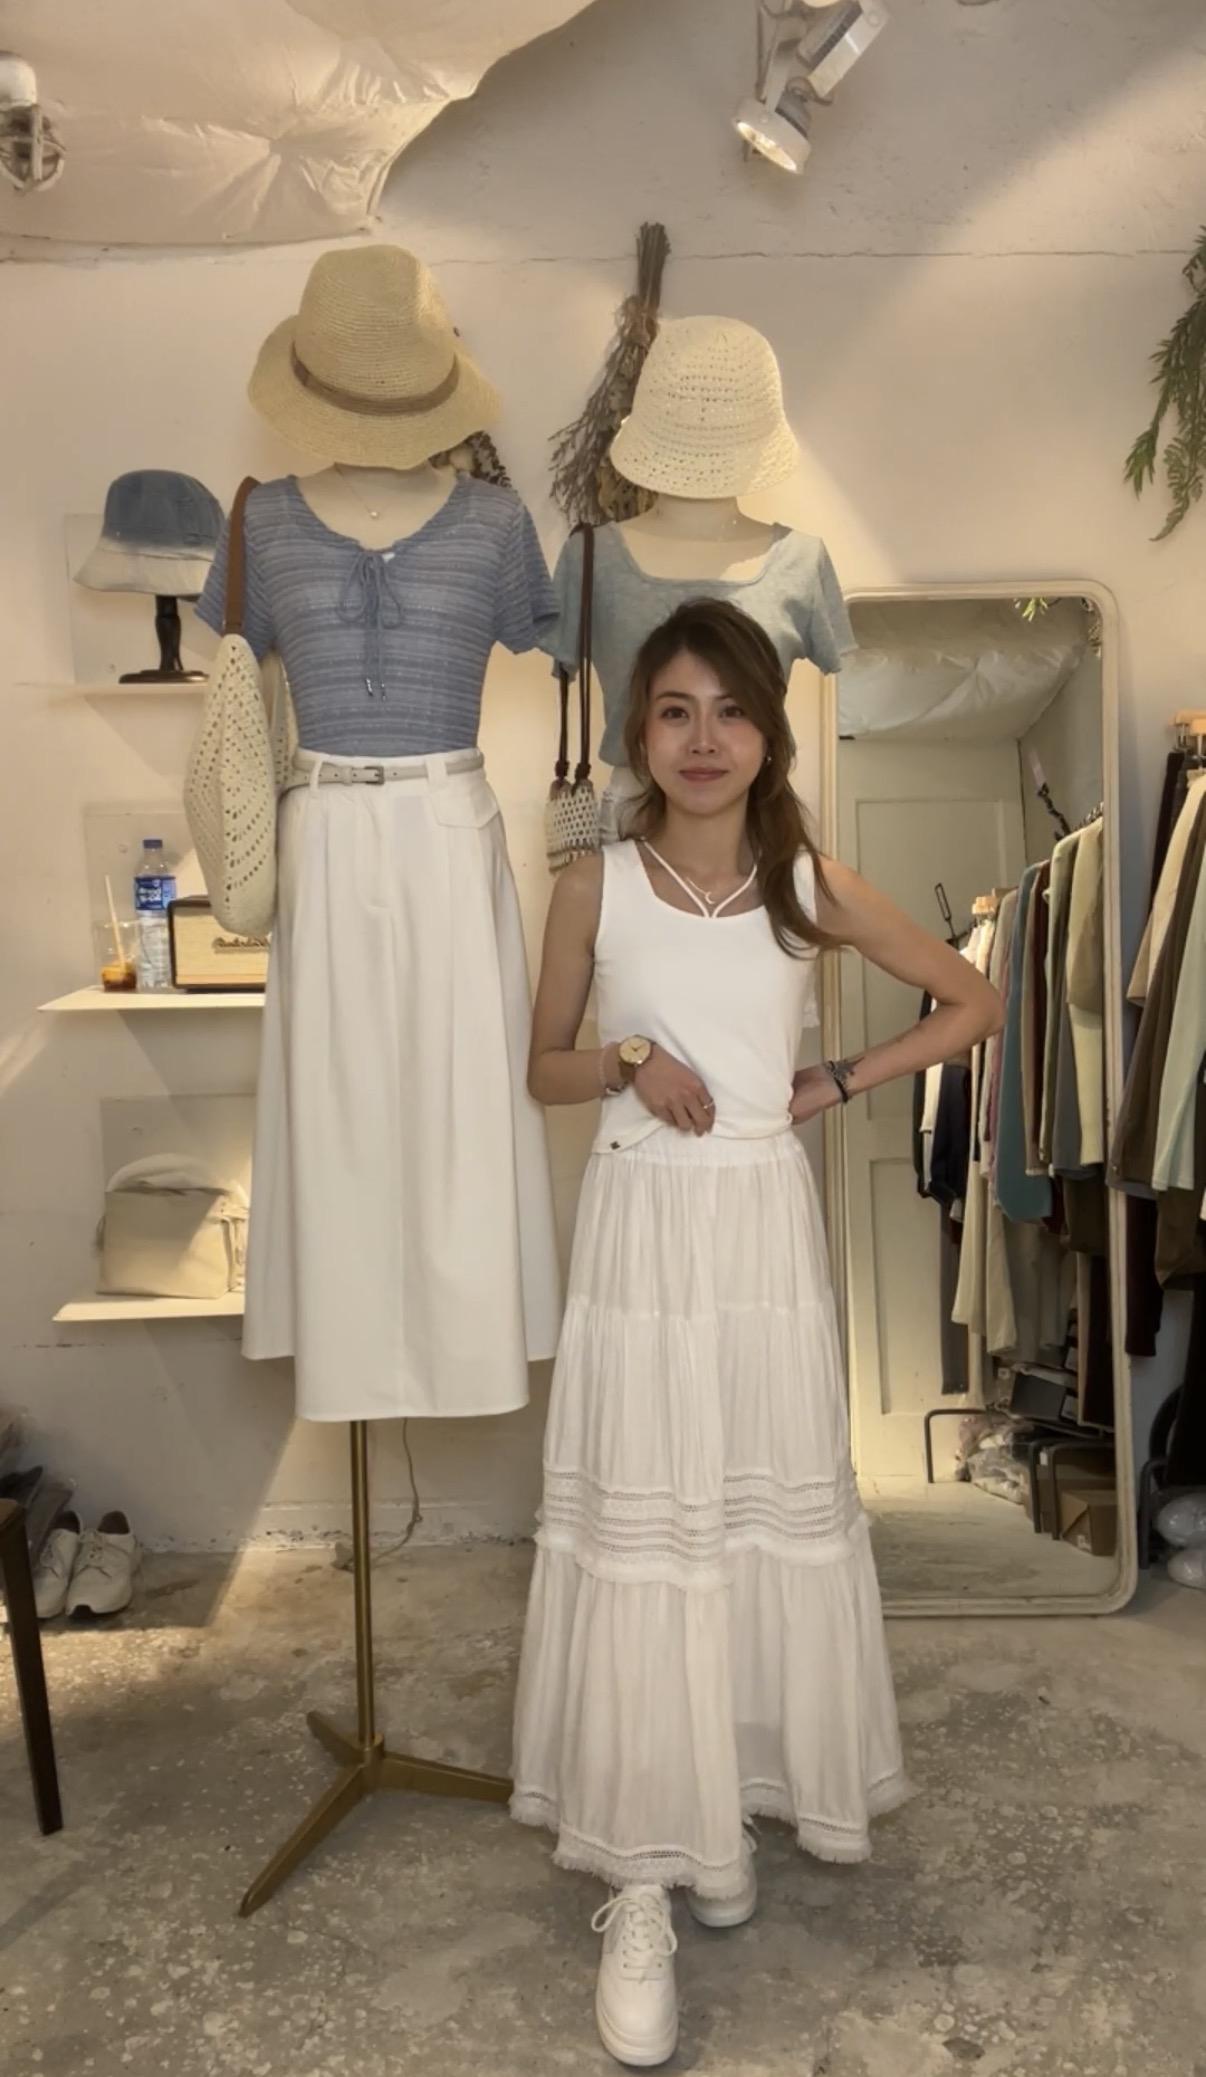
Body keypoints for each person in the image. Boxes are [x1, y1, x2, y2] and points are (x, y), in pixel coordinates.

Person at [510, 598, 1003, 2069]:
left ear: (767, 735)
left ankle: (716, 1808)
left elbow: (974, 1000)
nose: (703, 738)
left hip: (759, 1234)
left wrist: (835, 1077)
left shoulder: (805, 881)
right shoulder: (594, 880)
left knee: (740, 1524)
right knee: (650, 1531)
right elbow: (542, 1068)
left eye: (730, 710)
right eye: (675, 710)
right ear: (639, 733)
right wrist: (628, 1054)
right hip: (641, 1232)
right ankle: (642, 1876)